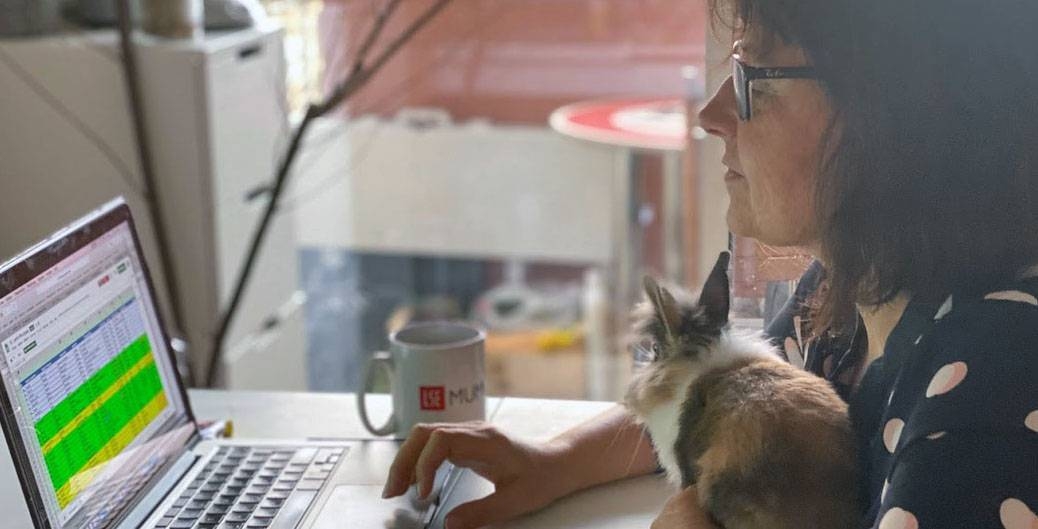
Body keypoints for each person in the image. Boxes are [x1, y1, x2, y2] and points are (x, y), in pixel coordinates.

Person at [382, 0, 1038, 527]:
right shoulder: (843, 296)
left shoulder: (994, 379)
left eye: (754, 77)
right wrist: (554, 460)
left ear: (892, 114)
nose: (711, 113)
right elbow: (710, 399)